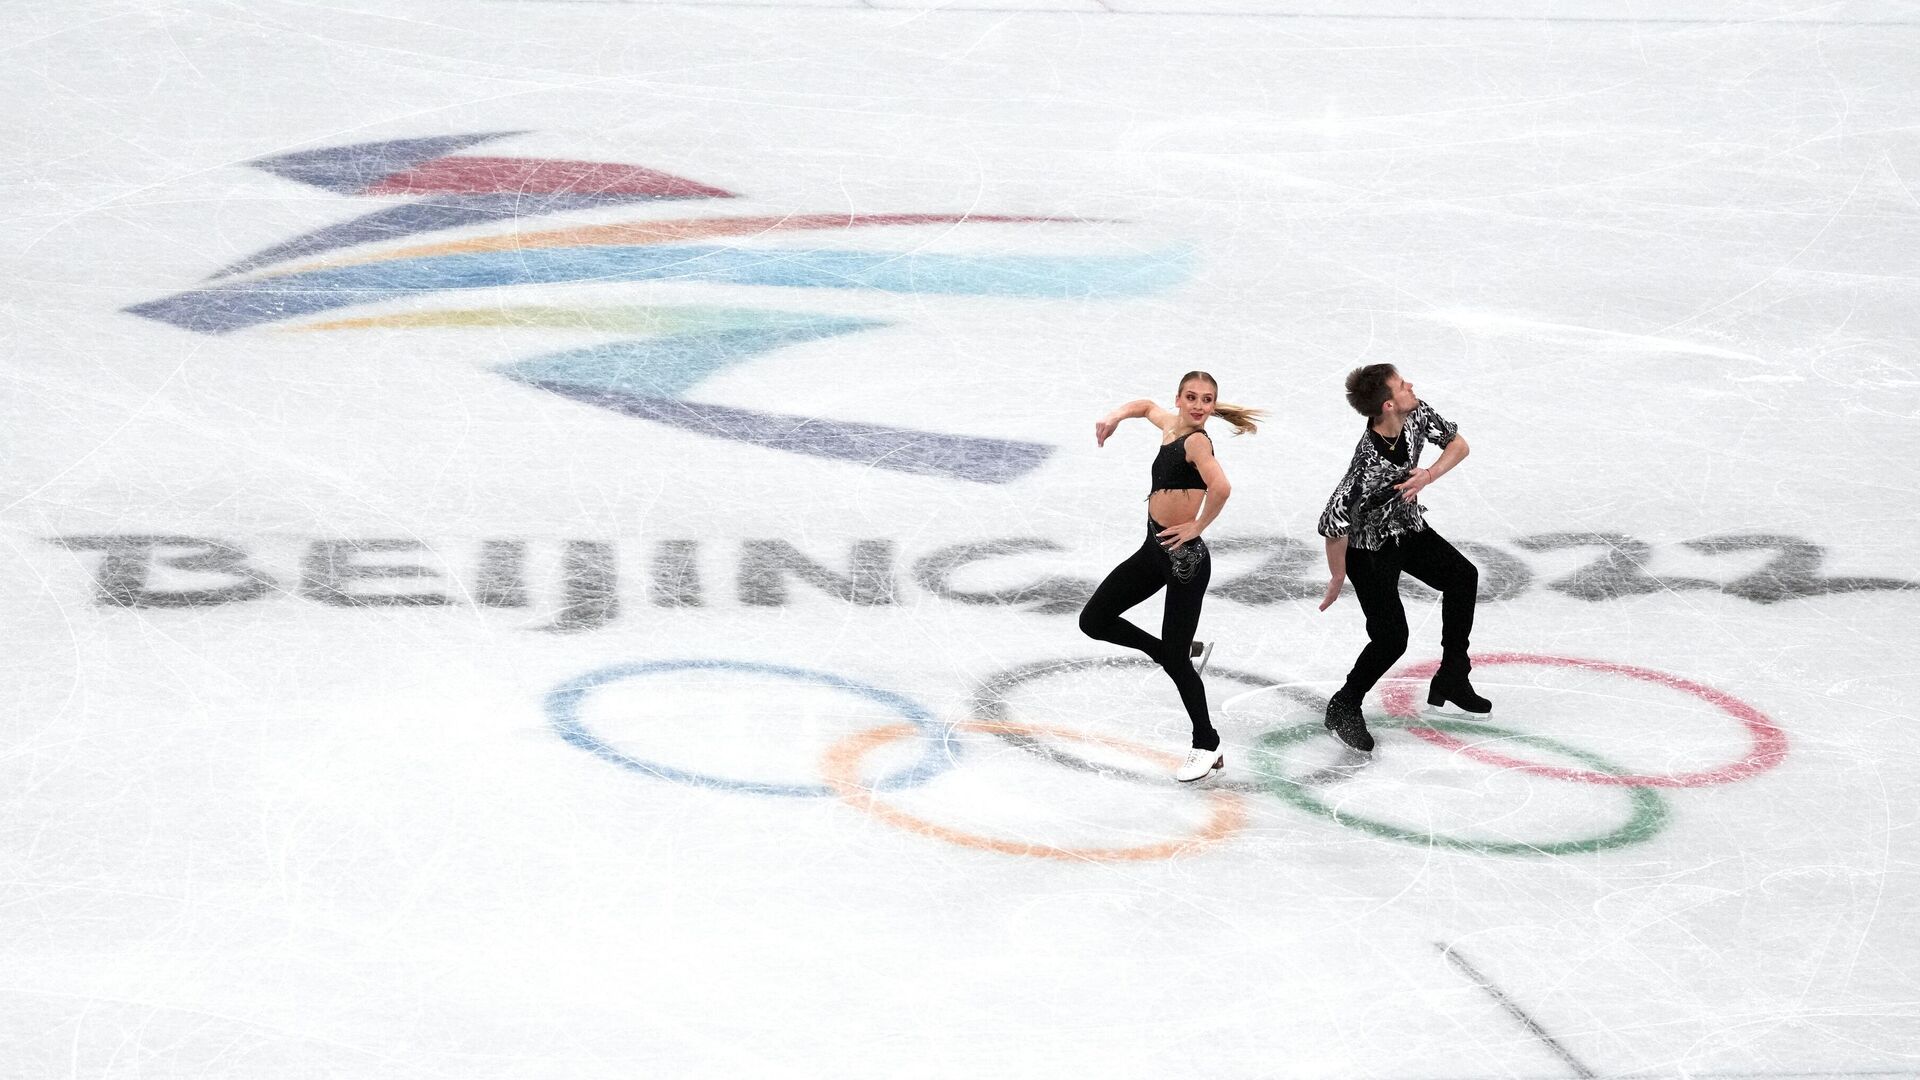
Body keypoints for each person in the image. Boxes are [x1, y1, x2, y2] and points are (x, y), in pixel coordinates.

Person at [1081, 371, 1263, 782]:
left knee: (1177, 664)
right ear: (1179, 400)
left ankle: (1208, 744)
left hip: (1186, 564)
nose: (1200, 406)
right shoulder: (1170, 427)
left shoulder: (1197, 442)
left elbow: (1222, 487)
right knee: (1093, 620)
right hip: (1153, 551)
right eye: (1193, 398)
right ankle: (1172, 650)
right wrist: (1114, 416)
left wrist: (1197, 527)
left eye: (1208, 400)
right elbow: (1145, 406)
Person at [1316, 364, 1489, 753]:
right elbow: (1333, 521)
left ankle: (1452, 676)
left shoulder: (1416, 414)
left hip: (1407, 528)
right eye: (1401, 384)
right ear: (1389, 404)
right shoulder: (1367, 464)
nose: (1411, 384)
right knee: (1392, 638)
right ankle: (1344, 704)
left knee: (1463, 577)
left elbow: (1458, 445)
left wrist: (1428, 474)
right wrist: (1338, 576)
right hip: (1368, 548)